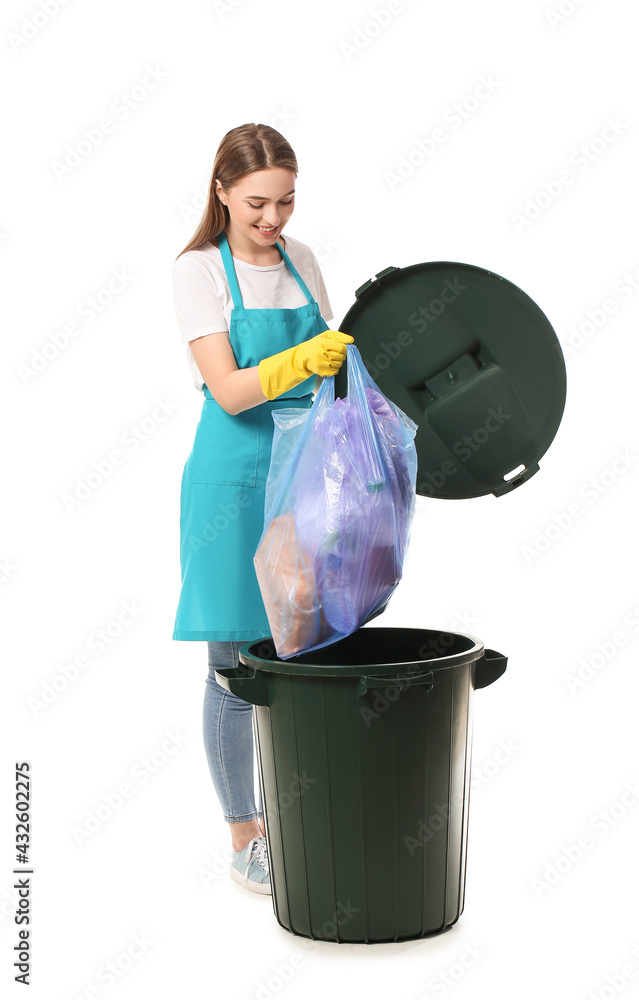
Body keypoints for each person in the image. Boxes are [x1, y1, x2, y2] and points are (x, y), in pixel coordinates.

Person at [170, 123, 353, 894]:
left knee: (304, 652)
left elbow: (340, 368)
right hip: (232, 482)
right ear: (221, 191)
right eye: (256, 203)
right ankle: (247, 837)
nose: (273, 219)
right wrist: (305, 360)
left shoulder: (301, 262)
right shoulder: (197, 270)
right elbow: (230, 389)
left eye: (285, 201)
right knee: (232, 666)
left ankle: (304, 817)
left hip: (303, 476)